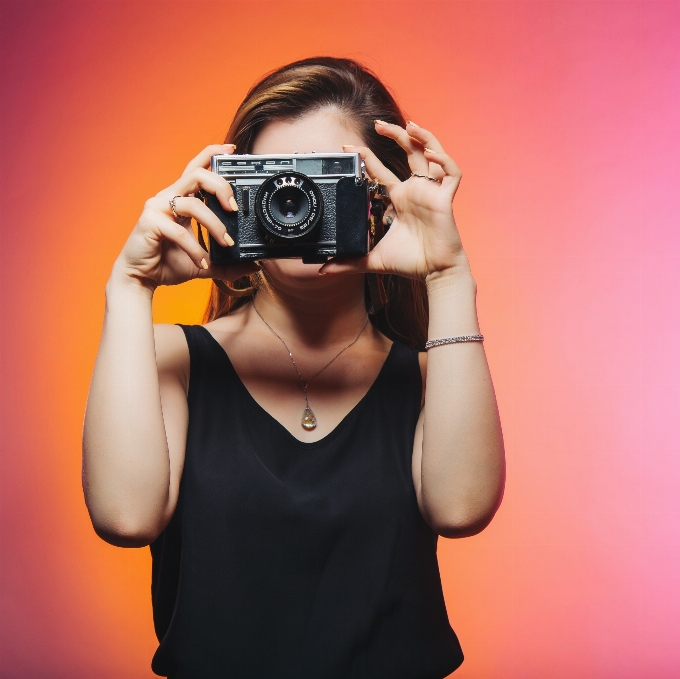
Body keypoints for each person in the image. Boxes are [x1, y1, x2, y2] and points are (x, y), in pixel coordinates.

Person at [82, 57, 505, 679]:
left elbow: (462, 508)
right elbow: (125, 517)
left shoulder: (429, 378)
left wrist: (447, 274)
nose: (296, 202)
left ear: (383, 198)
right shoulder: (174, 361)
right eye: (277, 182)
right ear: (230, 193)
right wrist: (129, 286)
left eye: (329, 179)